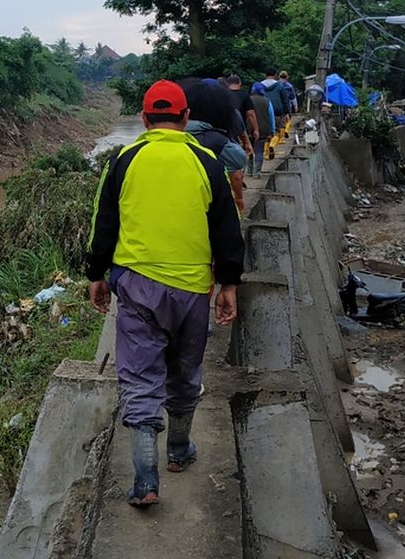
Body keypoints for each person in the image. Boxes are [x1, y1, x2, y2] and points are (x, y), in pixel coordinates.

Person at [86, 80, 244, 508]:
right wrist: (229, 284)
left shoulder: (124, 158)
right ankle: (178, 451)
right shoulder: (206, 161)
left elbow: (105, 222)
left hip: (137, 286)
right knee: (185, 370)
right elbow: (227, 230)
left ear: (144, 119)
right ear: (186, 119)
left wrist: (95, 273)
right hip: (193, 289)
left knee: (140, 377)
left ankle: (145, 482)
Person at [183, 78, 249, 213]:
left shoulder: (171, 140)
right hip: (215, 210)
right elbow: (237, 165)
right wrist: (239, 199)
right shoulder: (220, 143)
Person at [226, 74, 259, 154]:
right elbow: (251, 114)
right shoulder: (245, 96)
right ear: (240, 83)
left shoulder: (223, 95)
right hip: (240, 130)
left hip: (226, 130)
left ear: (227, 83)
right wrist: (256, 129)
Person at [248, 83, 274, 174]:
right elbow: (271, 117)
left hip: (248, 130)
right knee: (259, 151)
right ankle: (257, 172)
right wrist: (272, 130)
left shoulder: (247, 100)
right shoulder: (267, 101)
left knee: (249, 150)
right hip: (263, 129)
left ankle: (249, 171)